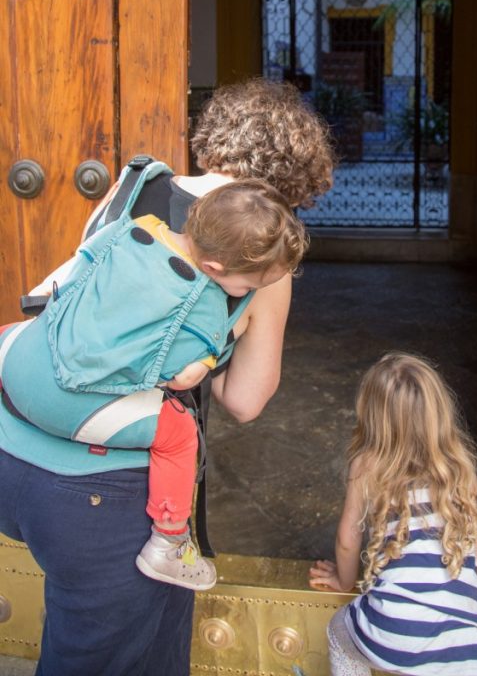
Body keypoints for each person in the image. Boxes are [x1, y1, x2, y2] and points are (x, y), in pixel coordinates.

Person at [0, 77, 334, 676]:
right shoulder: (263, 264)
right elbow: (245, 399)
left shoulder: (133, 188)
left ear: (215, 142)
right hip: (108, 495)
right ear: (289, 186)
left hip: (14, 451)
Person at [1, 178, 308, 594]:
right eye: (249, 287)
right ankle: (169, 541)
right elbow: (182, 376)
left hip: (16, 370)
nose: (247, 294)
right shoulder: (204, 303)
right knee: (179, 434)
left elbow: (77, 267)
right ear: (216, 270)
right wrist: (203, 362)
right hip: (71, 404)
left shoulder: (133, 228)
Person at [309, 352, 477, 676]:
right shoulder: (462, 466)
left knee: (339, 634)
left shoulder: (368, 464)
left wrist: (343, 579)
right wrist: (471, 573)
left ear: (372, 417)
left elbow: (348, 540)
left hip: (395, 626)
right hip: (468, 633)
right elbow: (474, 544)